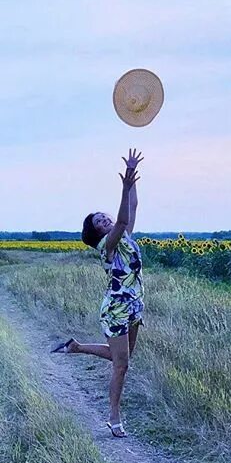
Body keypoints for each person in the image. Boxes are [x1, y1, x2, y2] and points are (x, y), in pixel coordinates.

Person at [52, 149, 144, 438]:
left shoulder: (125, 237)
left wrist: (133, 179)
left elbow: (132, 209)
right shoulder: (108, 246)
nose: (105, 220)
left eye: (104, 217)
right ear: (97, 234)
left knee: (124, 358)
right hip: (116, 309)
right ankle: (114, 417)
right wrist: (124, 187)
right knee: (121, 365)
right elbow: (121, 221)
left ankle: (76, 347)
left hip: (134, 306)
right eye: (99, 222)